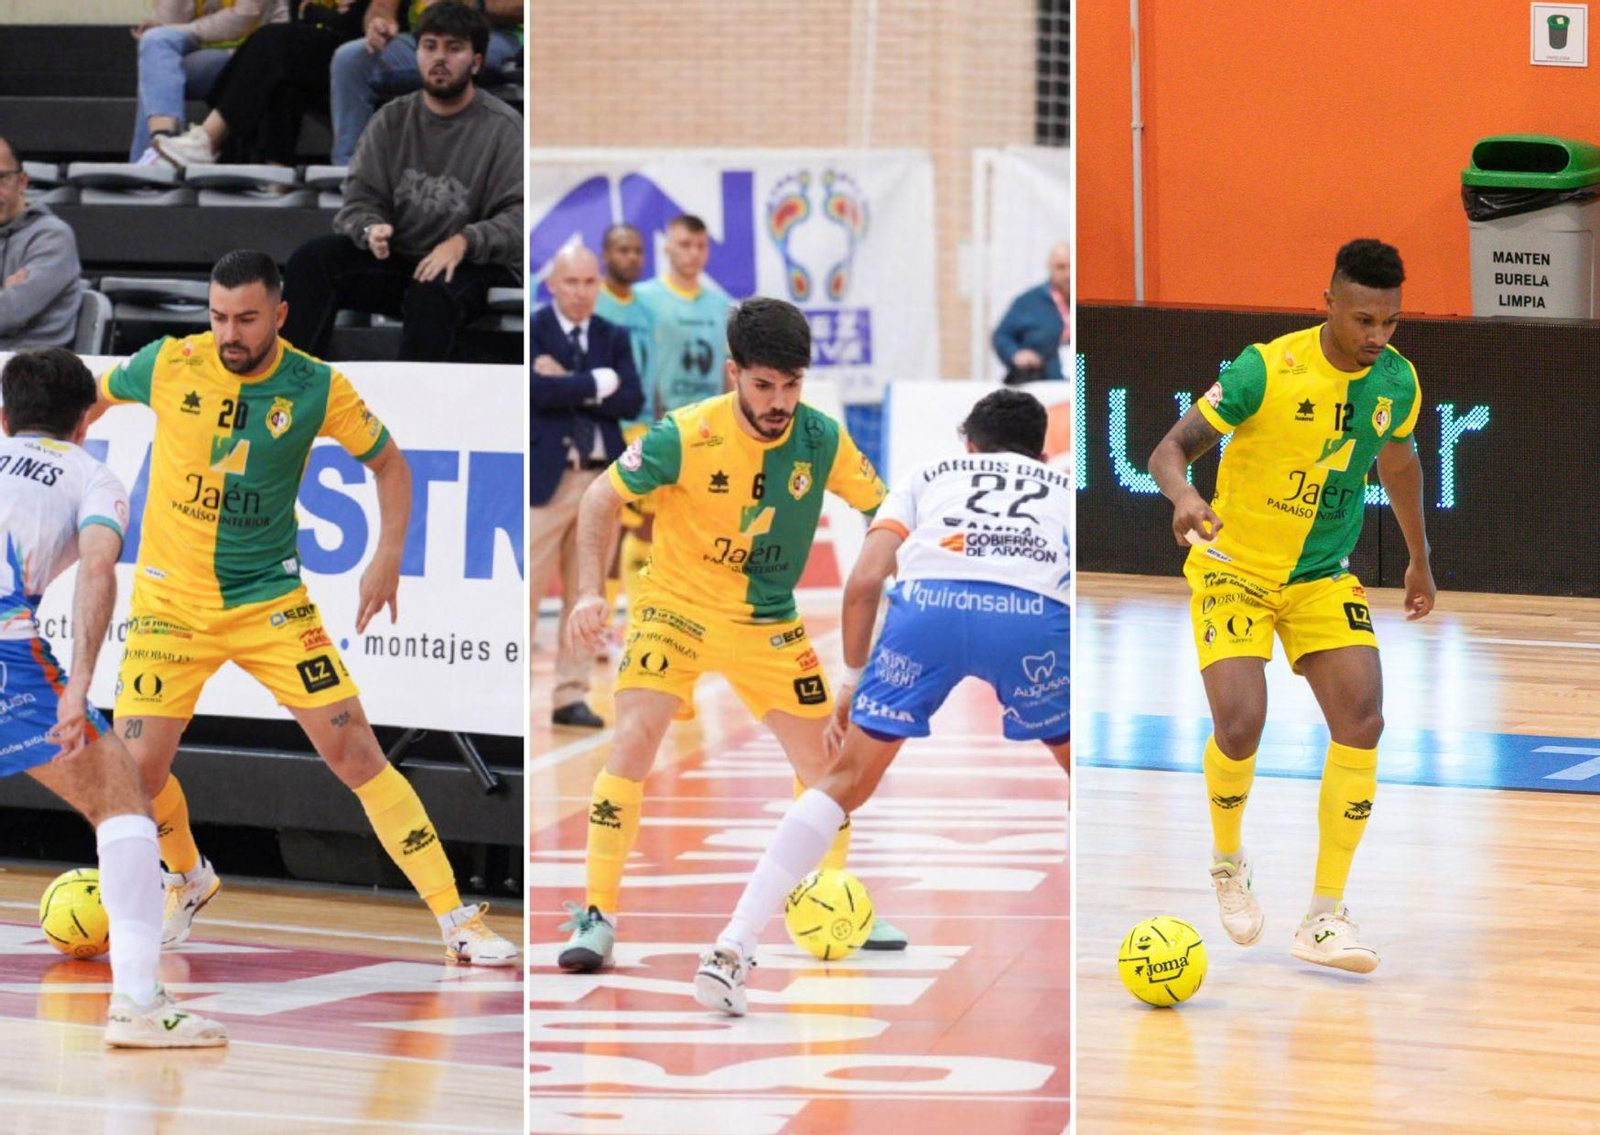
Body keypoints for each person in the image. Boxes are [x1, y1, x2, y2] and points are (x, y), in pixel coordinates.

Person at [92, 249, 517, 967]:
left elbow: (390, 464)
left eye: (246, 319)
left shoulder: (316, 385)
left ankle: (457, 920)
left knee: (356, 752)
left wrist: (388, 556)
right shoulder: (170, 362)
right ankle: (189, 877)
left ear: (281, 315)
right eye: (218, 317)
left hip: (270, 602)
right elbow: (90, 396)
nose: (229, 333)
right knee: (137, 777)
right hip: (171, 605)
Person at [693, 389, 1072, 1015]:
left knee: (843, 782)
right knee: (1077, 772)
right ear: (1039, 453)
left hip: (928, 612)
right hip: (1028, 618)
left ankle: (732, 947)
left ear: (969, 444)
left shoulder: (930, 474)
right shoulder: (1059, 484)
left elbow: (866, 579)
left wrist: (851, 679)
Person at [557, 297, 907, 971]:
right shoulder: (685, 434)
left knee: (831, 766)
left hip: (768, 621)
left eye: (792, 385)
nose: (779, 402)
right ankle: (597, 914)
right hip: (675, 609)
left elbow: (886, 510)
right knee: (633, 739)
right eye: (764, 384)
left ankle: (833, 898)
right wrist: (588, 592)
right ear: (733, 373)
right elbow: (600, 496)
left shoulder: (822, 438)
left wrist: (901, 566)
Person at [1145, 238, 1434, 974]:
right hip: (1234, 568)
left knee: (1363, 719)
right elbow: (1168, 451)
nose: (1377, 336)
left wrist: (1419, 558)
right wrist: (1184, 495)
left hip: (1319, 575)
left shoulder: (1397, 382)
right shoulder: (1264, 369)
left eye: (1390, 322)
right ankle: (1227, 861)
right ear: (1329, 303)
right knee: (1241, 725)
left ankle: (1324, 916)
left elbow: (1399, 463)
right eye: (1363, 319)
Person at [0, 347, 228, 1047]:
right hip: (7, 648)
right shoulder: (92, 475)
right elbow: (98, 570)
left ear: (4, 417)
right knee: (123, 800)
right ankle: (137, 1001)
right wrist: (77, 683)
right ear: (84, 423)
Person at [281, 2, 522, 362]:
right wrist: (370, 228)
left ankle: (416, 397)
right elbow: (359, 199)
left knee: (432, 289)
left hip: (476, 265)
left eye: (454, 48)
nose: (439, 58)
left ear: (476, 62)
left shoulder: (503, 127)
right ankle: (291, 384)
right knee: (312, 261)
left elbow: (519, 218)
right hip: (403, 258)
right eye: (429, 46)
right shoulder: (390, 120)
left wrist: (464, 242)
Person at [531, 244, 643, 729]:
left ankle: (571, 695)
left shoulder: (613, 334)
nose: (580, 292)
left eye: (589, 282)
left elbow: (632, 398)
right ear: (552, 284)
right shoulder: (535, 328)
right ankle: (506, 699)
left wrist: (571, 383)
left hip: (601, 480)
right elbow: (536, 392)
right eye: (571, 282)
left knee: (587, 593)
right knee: (526, 593)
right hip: (547, 481)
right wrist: (598, 382)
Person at [619, 215, 733, 607]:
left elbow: (727, 374)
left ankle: (687, 612)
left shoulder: (719, 305)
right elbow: (633, 364)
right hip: (656, 429)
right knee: (644, 525)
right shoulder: (644, 299)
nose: (693, 253)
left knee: (701, 527)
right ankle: (637, 616)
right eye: (685, 244)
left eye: (700, 246)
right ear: (667, 246)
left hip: (706, 433)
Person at [155, 1, 371, 168]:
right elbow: (297, 15)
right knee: (280, 74)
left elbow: (354, 22)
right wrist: (316, 13)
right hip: (323, 51)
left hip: (362, 55)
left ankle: (207, 141)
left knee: (273, 41)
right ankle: (277, 177)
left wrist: (311, 11)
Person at [328, 0, 523, 166]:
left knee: (452, 59)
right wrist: (379, 22)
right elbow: (382, 5)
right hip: (425, 37)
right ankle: (351, 172)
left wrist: (470, 3)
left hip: (494, 36)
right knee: (351, 59)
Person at [130, 0, 288, 164]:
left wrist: (177, 29)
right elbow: (168, 22)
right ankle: (163, 139)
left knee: (158, 71)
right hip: (203, 54)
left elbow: (246, 17)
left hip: (252, 57)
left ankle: (151, 160)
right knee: (154, 44)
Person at [0, 137, 84, 351]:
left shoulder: (53, 236)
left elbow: (9, 312)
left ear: (22, 182)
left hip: (28, 366)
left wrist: (8, 300)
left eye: (1, 179)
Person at [992, 241, 1071, 383]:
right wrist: (1015, 354)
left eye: (1073, 267)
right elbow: (1001, 336)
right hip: (1041, 384)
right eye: (1061, 267)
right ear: (1050, 268)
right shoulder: (1028, 302)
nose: (1068, 274)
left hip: (1083, 386)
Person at [594, 223, 653, 381]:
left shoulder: (649, 308)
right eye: (624, 250)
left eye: (638, 251)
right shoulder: (589, 304)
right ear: (605, 256)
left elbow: (653, 371)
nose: (633, 257)